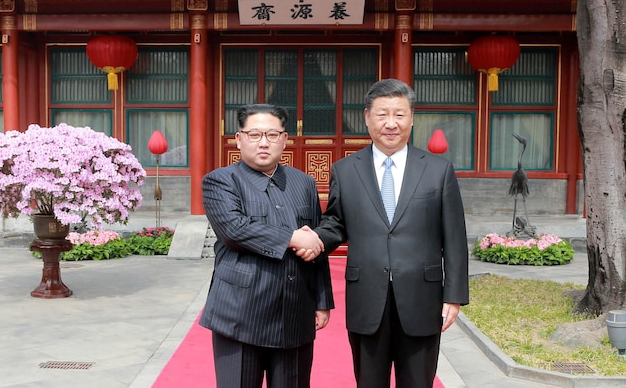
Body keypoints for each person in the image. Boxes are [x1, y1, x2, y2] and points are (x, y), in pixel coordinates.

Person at [301, 78, 469, 387]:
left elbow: (454, 236)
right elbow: (337, 222)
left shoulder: (437, 169)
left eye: (399, 114)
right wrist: (314, 239)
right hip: (367, 299)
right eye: (382, 114)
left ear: (412, 118)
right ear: (367, 117)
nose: (391, 123)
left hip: (423, 297)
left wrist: (455, 295)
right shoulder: (346, 170)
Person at [200, 103, 334, 388]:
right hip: (239, 314)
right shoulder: (220, 181)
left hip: (294, 313)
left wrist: (322, 301)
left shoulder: (304, 183)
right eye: (254, 134)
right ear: (239, 139)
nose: (264, 142)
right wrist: (292, 238)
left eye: (272, 135)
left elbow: (316, 244)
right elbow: (234, 230)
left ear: (285, 139)